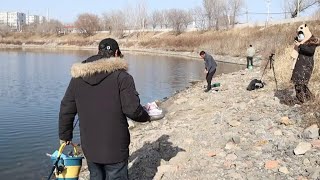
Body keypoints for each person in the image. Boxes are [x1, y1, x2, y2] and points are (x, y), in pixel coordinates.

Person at [59, 38, 150, 180]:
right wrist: (147, 115)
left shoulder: (78, 78)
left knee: (96, 176)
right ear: (117, 53)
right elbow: (133, 110)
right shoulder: (122, 77)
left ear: (98, 52)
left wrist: (65, 136)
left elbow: (66, 108)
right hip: (116, 147)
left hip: (90, 146)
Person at [290, 24, 319, 104]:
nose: (300, 35)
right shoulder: (302, 41)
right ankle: (308, 100)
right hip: (300, 64)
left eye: (302, 33)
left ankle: (303, 100)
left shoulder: (311, 41)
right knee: (299, 83)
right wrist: (298, 43)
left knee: (301, 83)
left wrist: (300, 45)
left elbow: (310, 51)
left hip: (306, 65)